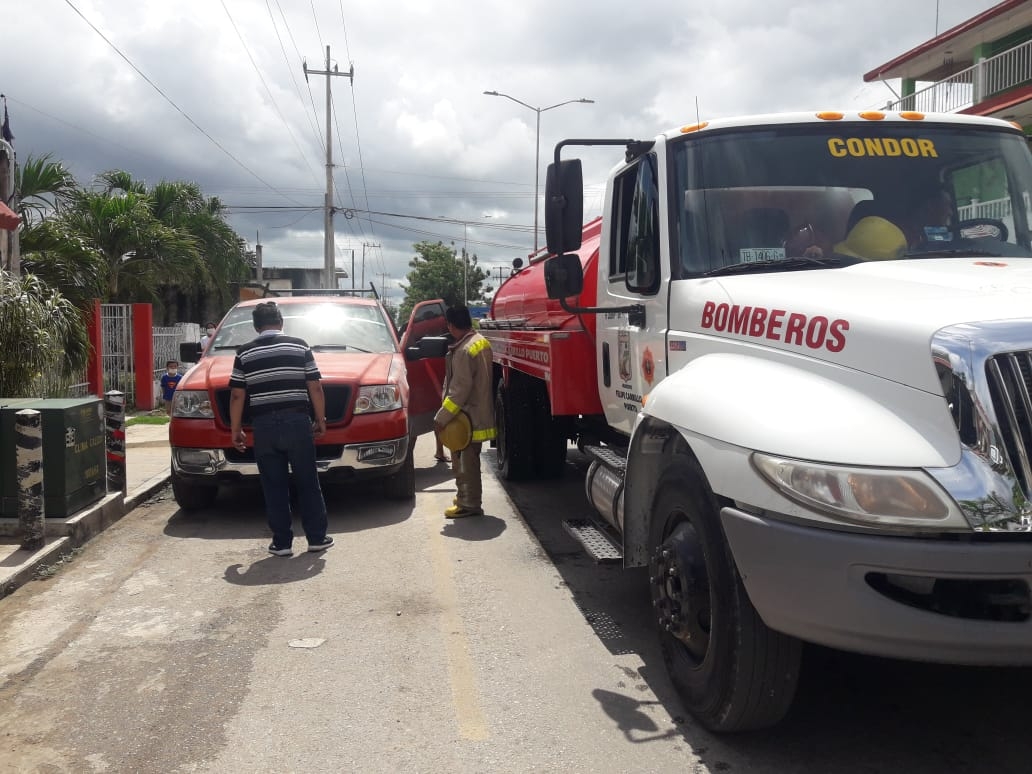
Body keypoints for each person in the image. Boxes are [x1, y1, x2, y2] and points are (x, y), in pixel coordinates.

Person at [229, 302, 333, 556]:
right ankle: (317, 538)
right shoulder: (299, 346)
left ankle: (282, 543)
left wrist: (235, 430)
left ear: (256, 326)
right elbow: (315, 386)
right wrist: (320, 419)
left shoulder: (244, 353)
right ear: (281, 322)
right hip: (297, 423)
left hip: (263, 426)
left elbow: (236, 396)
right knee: (307, 480)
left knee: (273, 484)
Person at [434, 305, 496, 518]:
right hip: (478, 413)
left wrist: (442, 418)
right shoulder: (479, 342)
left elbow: (458, 391)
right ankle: (466, 495)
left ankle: (468, 503)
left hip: (465, 418)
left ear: (450, 325)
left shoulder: (463, 351)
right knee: (470, 459)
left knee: (464, 462)